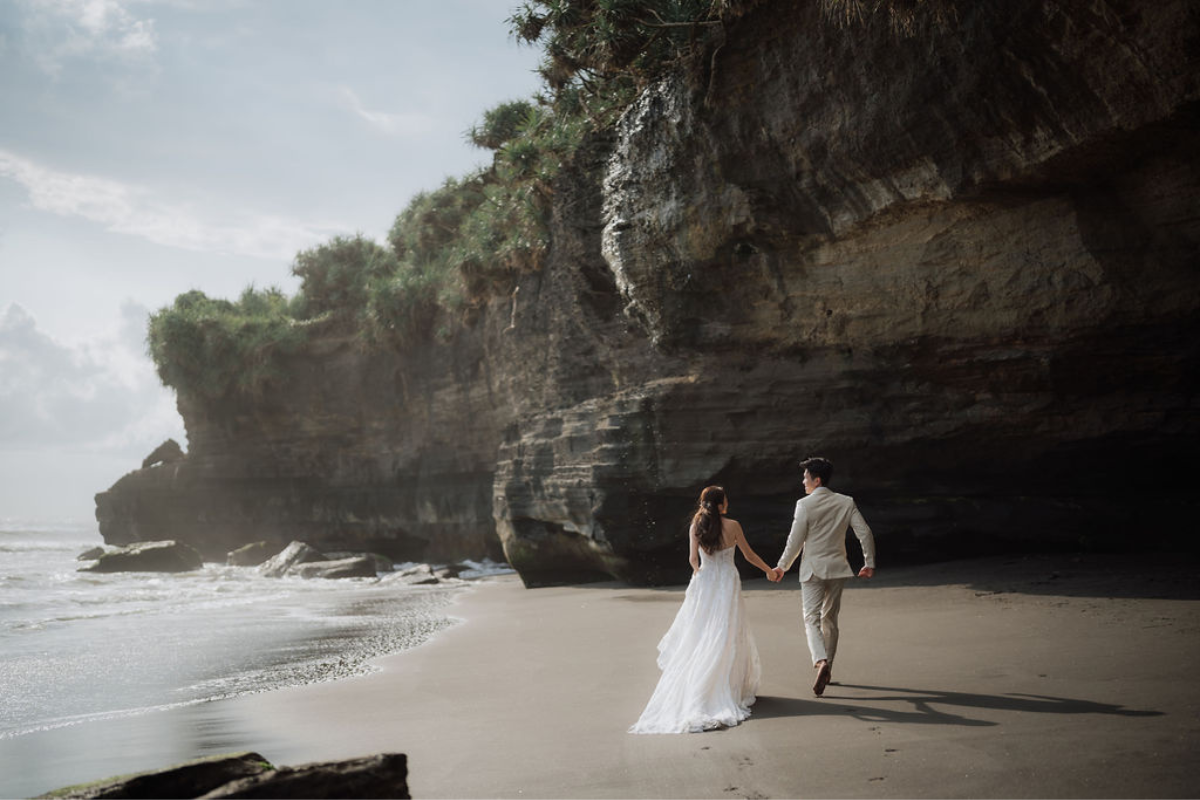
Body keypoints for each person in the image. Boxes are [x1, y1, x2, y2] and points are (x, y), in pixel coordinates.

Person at [629, 486, 776, 733]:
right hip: (727, 582)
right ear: (720, 505)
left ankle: (700, 684)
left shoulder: (696, 525)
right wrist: (769, 570)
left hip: (706, 582)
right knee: (726, 631)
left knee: (701, 632)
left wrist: (700, 573)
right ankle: (727, 685)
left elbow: (692, 560)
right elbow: (749, 555)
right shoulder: (734, 525)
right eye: (725, 500)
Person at [771, 457, 876, 697]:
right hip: (838, 569)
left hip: (813, 570)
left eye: (806, 477)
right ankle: (828, 669)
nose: (803, 481)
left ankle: (820, 662)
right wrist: (868, 563)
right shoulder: (846, 502)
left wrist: (781, 567)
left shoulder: (804, 504)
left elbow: (795, 541)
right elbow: (865, 533)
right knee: (830, 619)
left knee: (811, 618)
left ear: (817, 480)